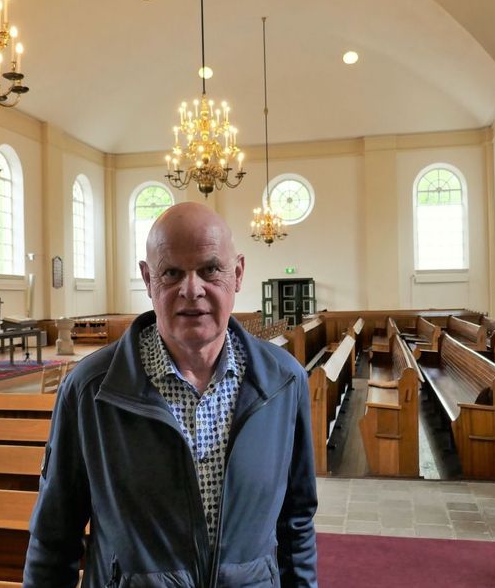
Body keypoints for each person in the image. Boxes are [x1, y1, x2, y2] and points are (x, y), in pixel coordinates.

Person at [23, 201, 318, 588]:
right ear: (148, 279)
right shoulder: (90, 389)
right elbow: (54, 536)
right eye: (172, 273)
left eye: (211, 270)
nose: (192, 290)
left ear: (239, 273)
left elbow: (296, 525)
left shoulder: (283, 382)